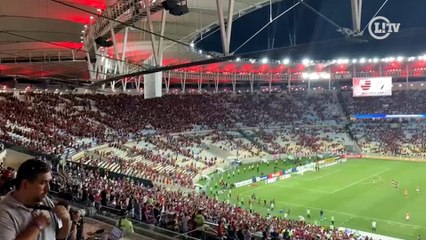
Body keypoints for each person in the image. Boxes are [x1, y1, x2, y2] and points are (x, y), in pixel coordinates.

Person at [0, 158, 72, 240]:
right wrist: (37, 226)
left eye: (49, 182)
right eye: (42, 183)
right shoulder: (4, 213)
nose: (48, 188)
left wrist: (66, 219)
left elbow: (60, 235)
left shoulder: (45, 200)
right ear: (25, 184)